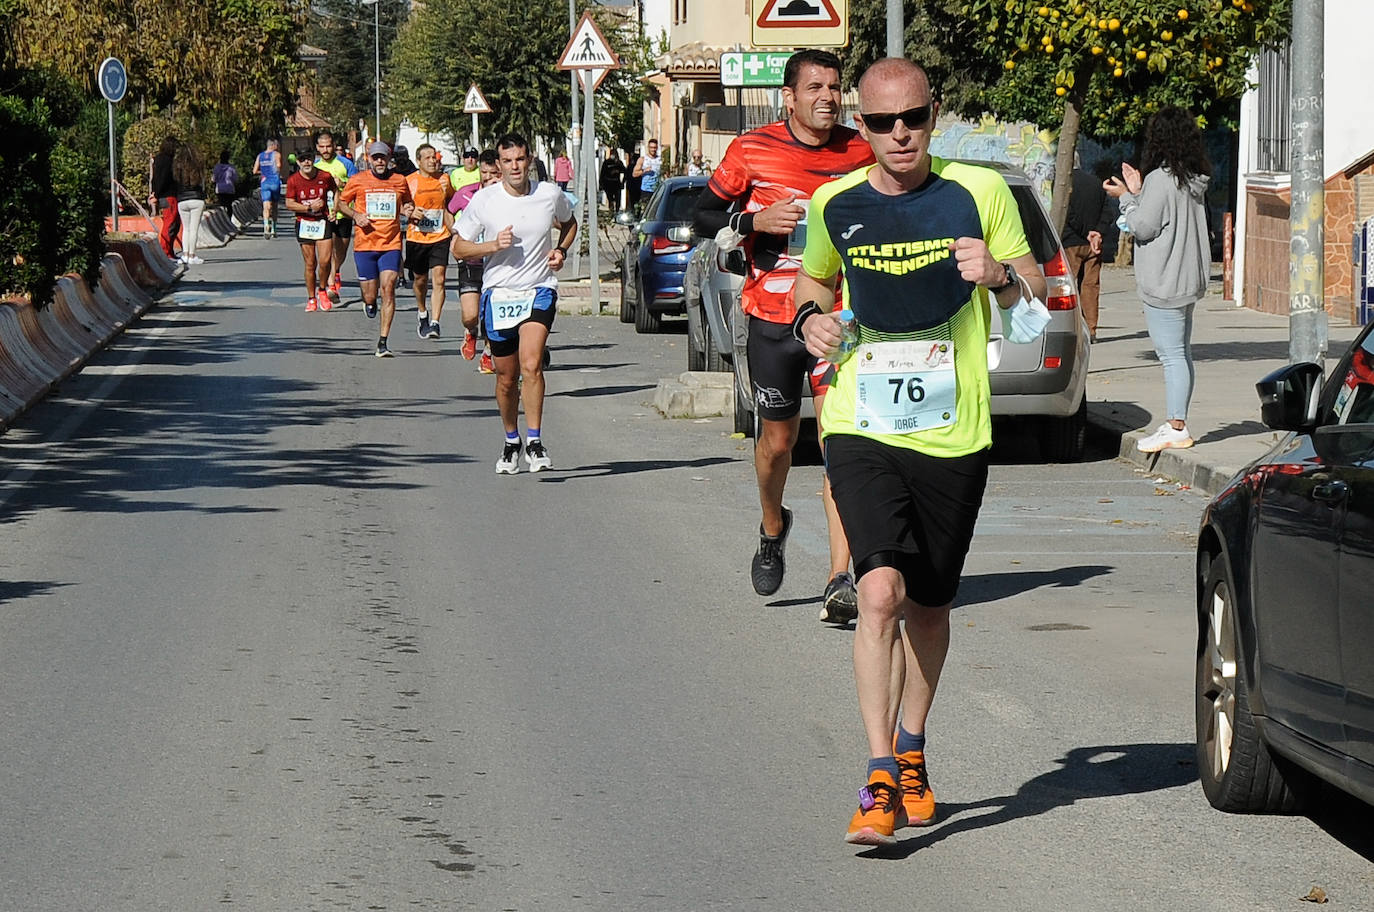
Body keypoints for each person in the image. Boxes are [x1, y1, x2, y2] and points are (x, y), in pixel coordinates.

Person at [793, 57, 1047, 846]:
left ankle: (911, 747)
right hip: (861, 424)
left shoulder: (981, 193)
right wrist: (811, 322)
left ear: (933, 115)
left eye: (914, 119)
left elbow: (1036, 315)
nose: (900, 134)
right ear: (858, 126)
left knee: (930, 605)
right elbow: (811, 285)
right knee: (878, 594)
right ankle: (876, 779)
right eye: (880, 122)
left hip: (953, 433)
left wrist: (1003, 279)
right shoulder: (835, 204)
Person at [691, 48, 875, 624]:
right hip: (770, 320)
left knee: (840, 444)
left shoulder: (862, 151)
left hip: (837, 322)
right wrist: (751, 223)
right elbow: (700, 218)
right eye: (815, 87)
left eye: (835, 87)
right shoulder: (751, 149)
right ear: (789, 97)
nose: (827, 97)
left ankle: (839, 578)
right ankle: (773, 525)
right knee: (777, 444)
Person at [452, 133, 576, 474]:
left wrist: (560, 251)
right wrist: (491, 246)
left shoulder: (549, 194)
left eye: (520, 159)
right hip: (500, 294)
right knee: (506, 378)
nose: (514, 167)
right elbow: (459, 248)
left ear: (530, 158)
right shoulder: (485, 201)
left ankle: (535, 441)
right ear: (500, 165)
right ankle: (512, 440)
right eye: (507, 161)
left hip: (539, 288)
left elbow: (570, 223)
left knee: (532, 363)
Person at [1104, 106, 1211, 454]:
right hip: (1187, 279)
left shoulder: (1161, 180)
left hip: (1163, 281)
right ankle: (1177, 421)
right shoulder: (1193, 179)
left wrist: (1125, 199)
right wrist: (1137, 192)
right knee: (1182, 353)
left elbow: (1143, 227)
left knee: (1172, 356)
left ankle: (1176, 425)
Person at [336, 141, 415, 357]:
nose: (379, 161)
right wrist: (356, 215)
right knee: (370, 295)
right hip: (365, 245)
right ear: (368, 159)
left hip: (390, 244)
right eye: (375, 157)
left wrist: (408, 209)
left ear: (389, 159)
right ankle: (368, 303)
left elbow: (407, 202)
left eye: (383, 157)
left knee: (388, 288)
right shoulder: (357, 180)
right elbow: (341, 203)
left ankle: (383, 342)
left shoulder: (399, 180)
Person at [448, 150, 502, 373]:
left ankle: (488, 354)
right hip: (471, 261)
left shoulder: (508, 199)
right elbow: (448, 210)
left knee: (492, 317)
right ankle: (471, 332)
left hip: (497, 264)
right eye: (485, 173)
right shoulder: (467, 194)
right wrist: (454, 233)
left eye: (494, 174)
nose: (489, 178)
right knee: (471, 315)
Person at [404, 143, 455, 340]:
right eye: (428, 158)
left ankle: (435, 322)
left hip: (440, 235)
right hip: (417, 237)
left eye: (434, 157)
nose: (433, 161)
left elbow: (451, 201)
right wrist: (408, 211)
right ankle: (422, 311)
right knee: (420, 280)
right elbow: (401, 204)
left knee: (439, 278)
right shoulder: (410, 181)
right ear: (418, 161)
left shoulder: (444, 179)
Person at [1062, 158, 1114, 342]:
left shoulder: (1063, 184)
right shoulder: (1096, 183)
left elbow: (1067, 213)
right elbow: (1107, 212)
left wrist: (1085, 232)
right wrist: (1097, 233)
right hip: (1094, 245)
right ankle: (1091, 330)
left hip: (1071, 243)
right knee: (1091, 287)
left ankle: (1069, 327)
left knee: (1066, 287)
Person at [284, 152, 338, 313]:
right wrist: (308, 208)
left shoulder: (325, 176)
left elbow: (336, 192)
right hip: (304, 223)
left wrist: (334, 208)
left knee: (325, 261)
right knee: (310, 264)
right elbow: (289, 203)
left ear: (313, 159)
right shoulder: (293, 180)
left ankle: (322, 290)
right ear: (298, 162)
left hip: (323, 221)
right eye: (302, 160)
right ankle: (311, 298)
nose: (306, 162)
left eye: (308, 158)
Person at [313, 130, 357, 303]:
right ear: (317, 147)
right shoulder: (315, 166)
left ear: (333, 146)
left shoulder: (345, 164)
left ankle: (336, 270)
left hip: (344, 212)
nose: (325, 150)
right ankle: (330, 283)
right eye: (322, 147)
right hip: (324, 214)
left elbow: (356, 185)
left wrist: (343, 184)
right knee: (327, 250)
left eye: (328, 146)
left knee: (341, 251)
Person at [173, 142, 207, 266]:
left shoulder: (178, 167)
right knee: (194, 229)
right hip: (196, 199)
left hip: (182, 200)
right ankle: (192, 255)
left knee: (186, 229)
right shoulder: (198, 166)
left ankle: (185, 255)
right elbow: (203, 184)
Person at [149, 137, 181, 259]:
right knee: (170, 224)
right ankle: (165, 251)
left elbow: (154, 179)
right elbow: (162, 179)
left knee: (175, 223)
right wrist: (156, 194)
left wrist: (154, 192)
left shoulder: (158, 160)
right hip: (168, 196)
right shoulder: (167, 161)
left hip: (164, 195)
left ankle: (169, 251)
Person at [253, 139, 283, 239]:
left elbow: (254, 171)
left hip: (264, 183)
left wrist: (263, 173)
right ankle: (274, 229)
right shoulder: (276, 154)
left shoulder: (260, 156)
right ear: (273, 145)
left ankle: (266, 227)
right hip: (275, 182)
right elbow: (278, 166)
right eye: (277, 145)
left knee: (266, 206)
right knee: (274, 206)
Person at [632, 139, 662, 207]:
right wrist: (644, 170)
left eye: (655, 148)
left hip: (657, 189)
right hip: (646, 190)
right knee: (645, 210)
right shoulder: (643, 159)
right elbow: (634, 174)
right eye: (651, 147)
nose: (653, 149)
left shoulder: (660, 160)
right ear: (648, 148)